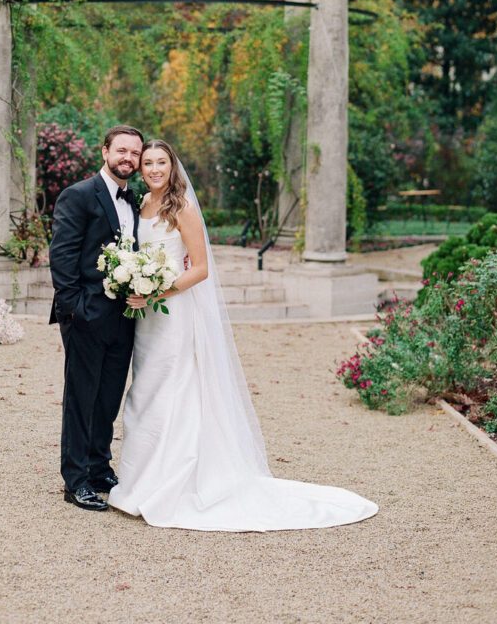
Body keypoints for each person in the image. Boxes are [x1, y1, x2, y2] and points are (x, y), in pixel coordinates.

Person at [108, 138, 379, 531]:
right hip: (146, 317)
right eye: (147, 162)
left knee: (174, 388)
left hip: (173, 312)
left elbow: (200, 268)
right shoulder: (140, 205)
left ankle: (174, 482)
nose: (152, 169)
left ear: (172, 167)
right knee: (145, 389)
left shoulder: (180, 208)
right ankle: (139, 478)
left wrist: (155, 291)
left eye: (160, 162)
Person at [49, 125, 144, 511]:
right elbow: (62, 257)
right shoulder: (79, 195)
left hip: (124, 316)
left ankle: (99, 465)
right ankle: (75, 480)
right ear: (105, 151)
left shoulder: (134, 199)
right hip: (87, 315)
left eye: (134, 153)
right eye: (122, 150)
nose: (128, 158)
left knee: (107, 398)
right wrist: (76, 310)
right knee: (81, 397)